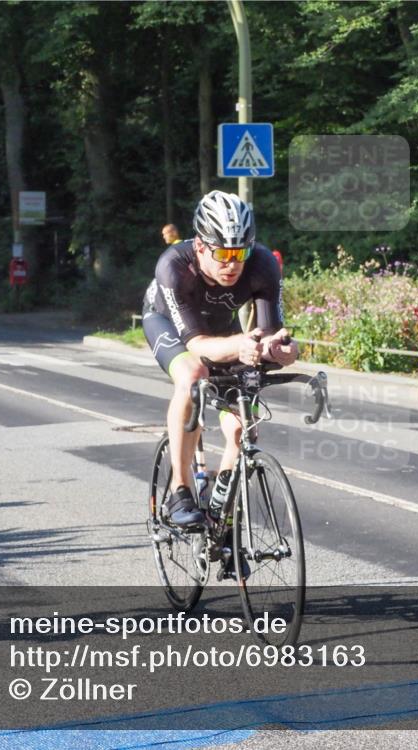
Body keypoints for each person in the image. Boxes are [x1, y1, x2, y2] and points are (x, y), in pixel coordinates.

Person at [142, 191, 298, 527]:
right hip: (169, 324)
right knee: (194, 373)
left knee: (244, 430)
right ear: (200, 246)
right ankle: (180, 490)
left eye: (240, 252)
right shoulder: (174, 266)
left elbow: (269, 331)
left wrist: (282, 349)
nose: (232, 264)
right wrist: (241, 344)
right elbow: (197, 343)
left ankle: (220, 515)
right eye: (223, 253)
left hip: (222, 330)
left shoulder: (262, 264)